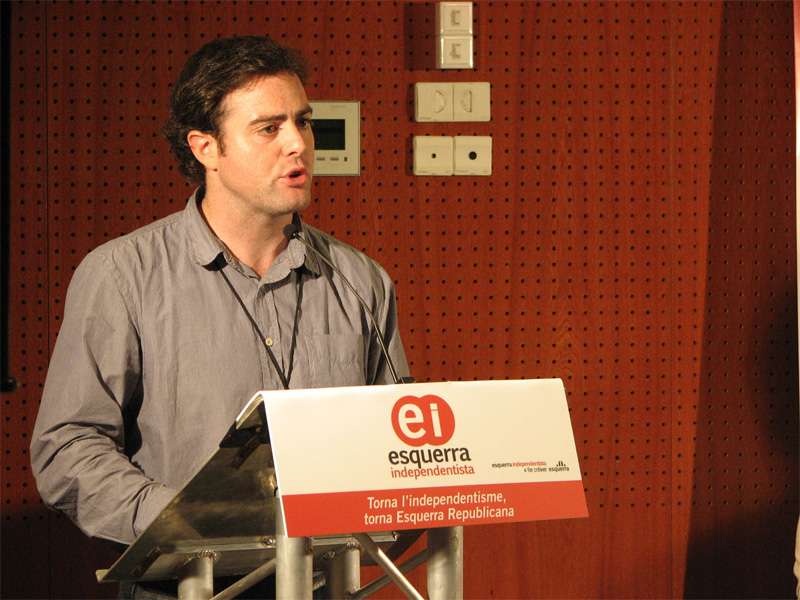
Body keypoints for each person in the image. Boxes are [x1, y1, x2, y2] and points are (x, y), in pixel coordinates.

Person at [30, 35, 409, 594]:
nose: (298, 144)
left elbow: (398, 444)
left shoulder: (360, 280)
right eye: (269, 128)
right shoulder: (121, 275)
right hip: (184, 583)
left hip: (323, 582)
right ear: (206, 148)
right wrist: (182, 523)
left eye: (302, 122)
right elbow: (68, 447)